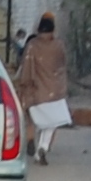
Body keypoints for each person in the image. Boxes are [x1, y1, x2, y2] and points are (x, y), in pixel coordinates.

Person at [16, 12, 71, 163]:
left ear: (39, 29)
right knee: (52, 122)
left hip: (36, 91)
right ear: (53, 30)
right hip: (54, 91)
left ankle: (31, 139)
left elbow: (25, 68)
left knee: (32, 120)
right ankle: (43, 148)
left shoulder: (32, 45)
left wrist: (23, 87)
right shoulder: (58, 45)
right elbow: (63, 64)